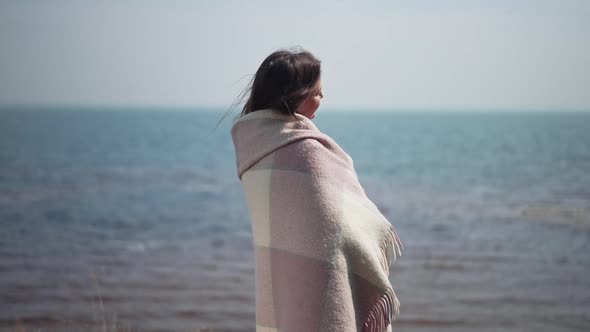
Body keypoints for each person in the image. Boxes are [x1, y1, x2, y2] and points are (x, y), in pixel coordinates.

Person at [229, 47, 403, 332]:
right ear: (295, 96)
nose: (323, 99)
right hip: (321, 275)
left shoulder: (255, 147)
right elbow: (338, 223)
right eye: (318, 93)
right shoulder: (305, 151)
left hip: (284, 275)